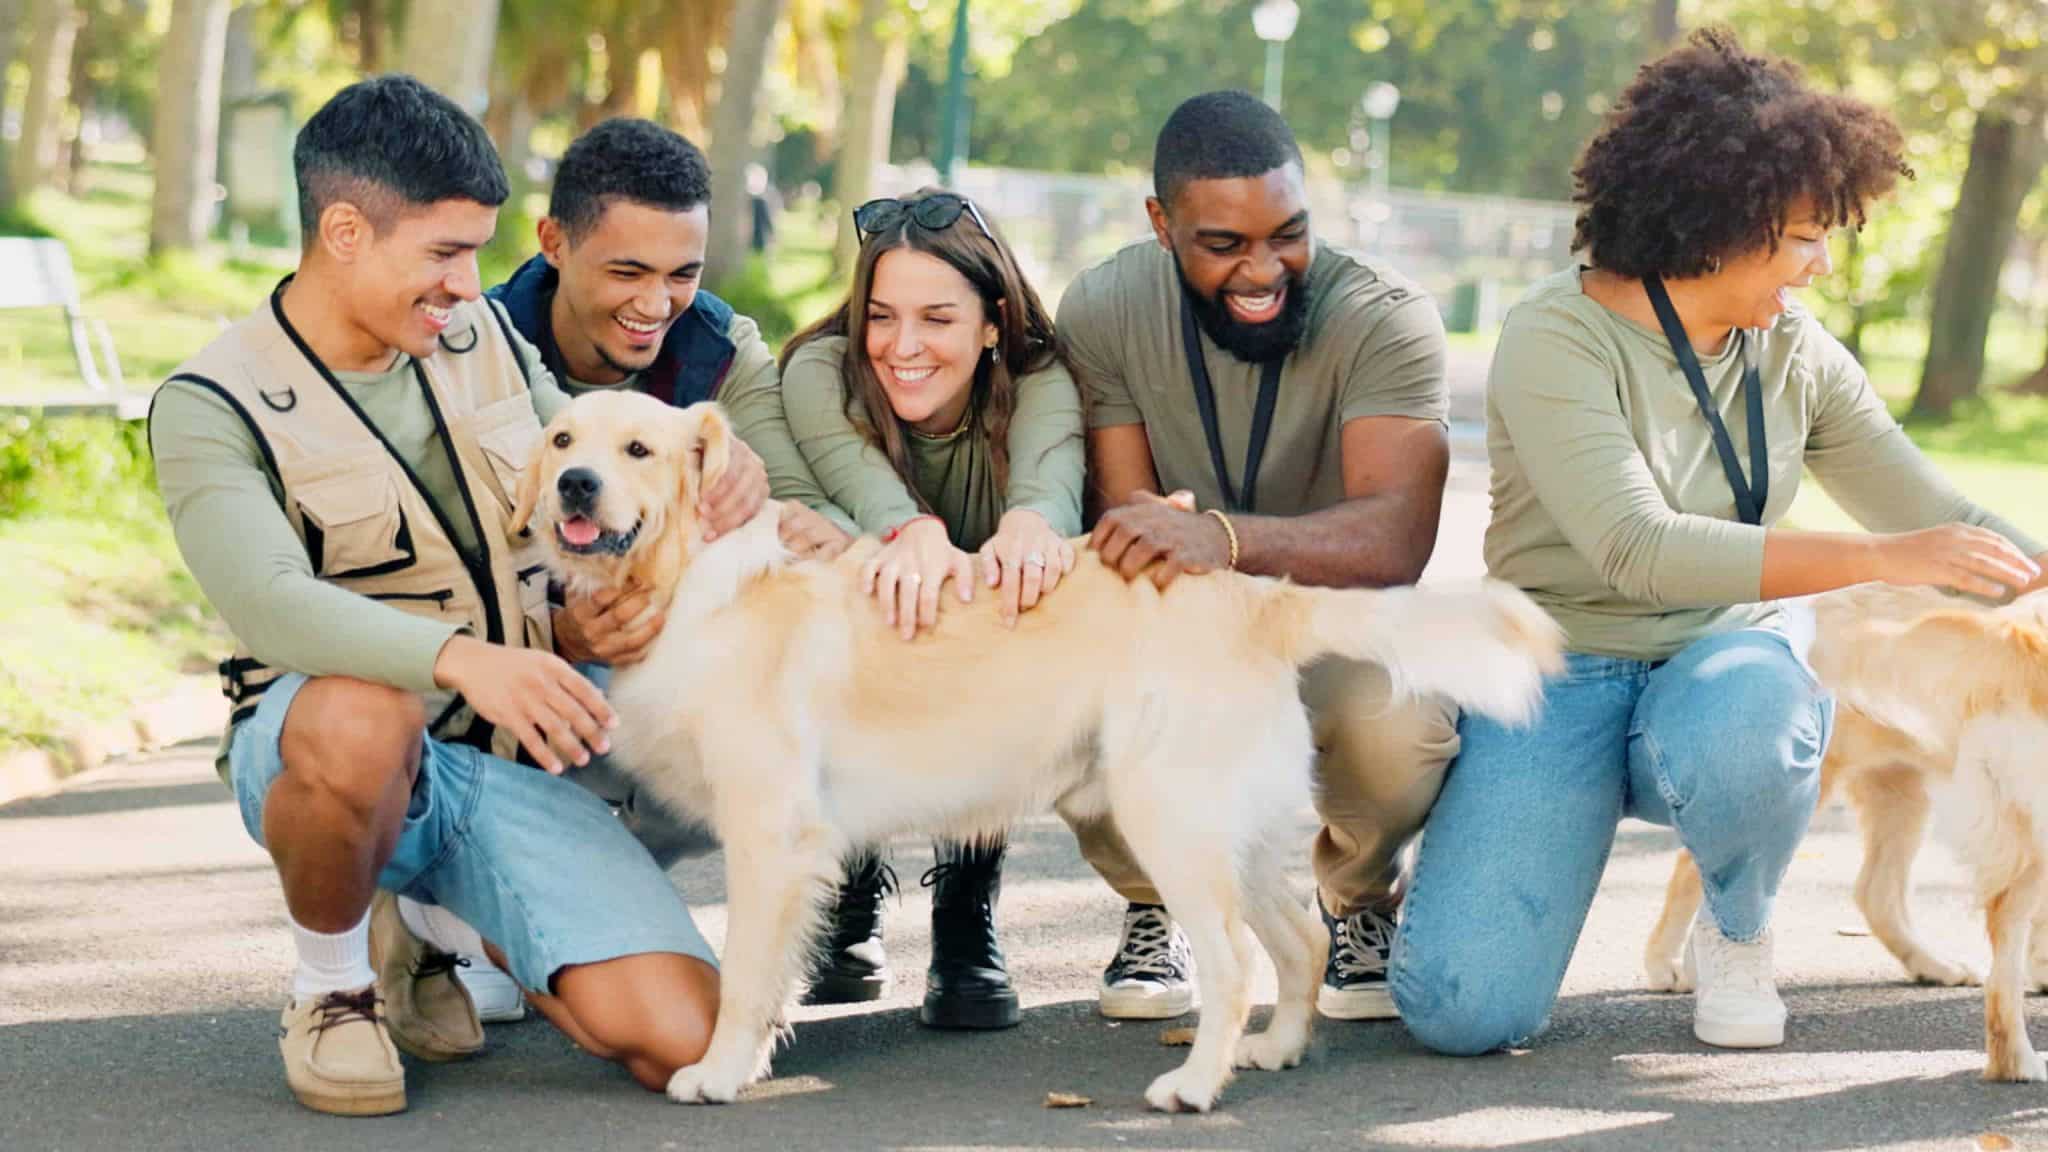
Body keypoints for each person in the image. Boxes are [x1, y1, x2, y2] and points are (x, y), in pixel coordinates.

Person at [1388, 28, 2047, 1057]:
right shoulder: (1554, 339)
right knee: (1462, 1013)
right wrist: (1880, 559)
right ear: (1714, 223)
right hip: (1557, 670)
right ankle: (1469, 854)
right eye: (1799, 238)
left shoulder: (1793, 352)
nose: (1820, 264)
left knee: (1760, 691)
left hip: (1717, 668)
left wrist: (2027, 569)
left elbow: (1934, 510)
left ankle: (1733, 928)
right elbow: (1633, 547)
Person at [148, 76, 730, 1116]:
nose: (471, 285)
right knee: (362, 712)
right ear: (342, 232)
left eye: (475, 252)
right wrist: (467, 661)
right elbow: (271, 604)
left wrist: (594, 601)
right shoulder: (210, 403)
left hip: (507, 767)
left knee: (683, 1038)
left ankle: (429, 924)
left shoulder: (481, 341)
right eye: (445, 253)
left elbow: (581, 476)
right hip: (339, 754)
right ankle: (332, 990)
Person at [1055, 90, 1457, 1023]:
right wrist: (1183, 553)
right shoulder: (1107, 306)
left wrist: (1223, 536)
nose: (1263, 269)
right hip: (1180, 626)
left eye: (1288, 232)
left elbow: (1395, 540)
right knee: (1079, 697)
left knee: (1397, 714)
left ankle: (1356, 900)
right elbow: (1128, 527)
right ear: (1162, 224)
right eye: (1224, 244)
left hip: (1331, 625)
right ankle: (1165, 902)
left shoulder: (1386, 318)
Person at [478, 117, 858, 1019]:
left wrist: (772, 494)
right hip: (526, 658)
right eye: (628, 272)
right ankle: (461, 913)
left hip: (663, 665)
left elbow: (816, 517)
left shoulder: (724, 351)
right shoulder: (473, 348)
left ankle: (613, 884)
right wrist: (551, 628)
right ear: (553, 244)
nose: (658, 302)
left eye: (681, 274)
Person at [779, 187, 1085, 1030]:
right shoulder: (820, 370)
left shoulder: (1040, 380)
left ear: (993, 320)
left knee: (1007, 616)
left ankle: (966, 907)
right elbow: (852, 491)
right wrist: (902, 537)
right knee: (848, 603)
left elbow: (1048, 493)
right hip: (863, 616)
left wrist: (1027, 528)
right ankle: (847, 898)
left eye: (936, 319)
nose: (902, 347)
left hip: (989, 632)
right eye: (881, 316)